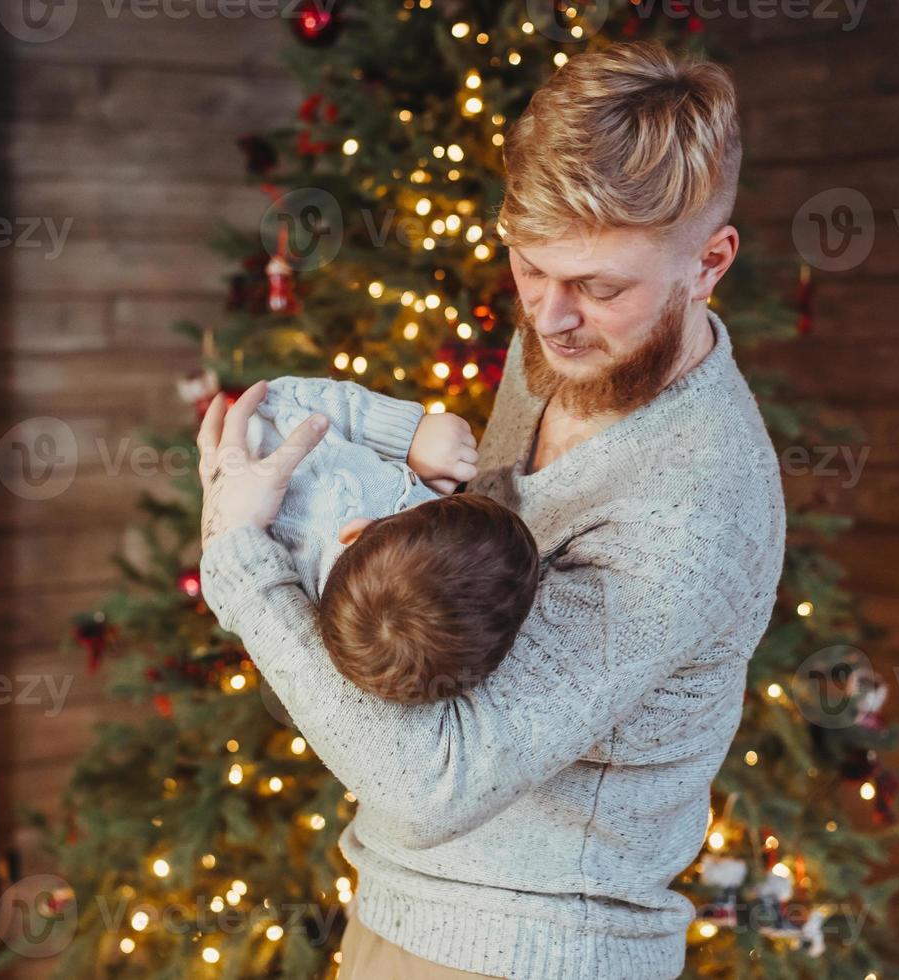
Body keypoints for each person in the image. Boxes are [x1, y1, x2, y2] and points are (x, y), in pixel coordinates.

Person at [195, 41, 785, 980]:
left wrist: (242, 559)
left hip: (535, 954)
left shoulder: (692, 508)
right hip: (404, 908)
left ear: (709, 262)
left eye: (601, 287)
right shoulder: (562, 345)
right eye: (529, 267)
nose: (549, 319)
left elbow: (435, 779)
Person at [244, 376, 541, 703]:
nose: (429, 493)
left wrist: (407, 434)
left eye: (425, 504)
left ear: (355, 530)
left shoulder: (317, 479)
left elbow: (272, 399)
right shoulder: (357, 618)